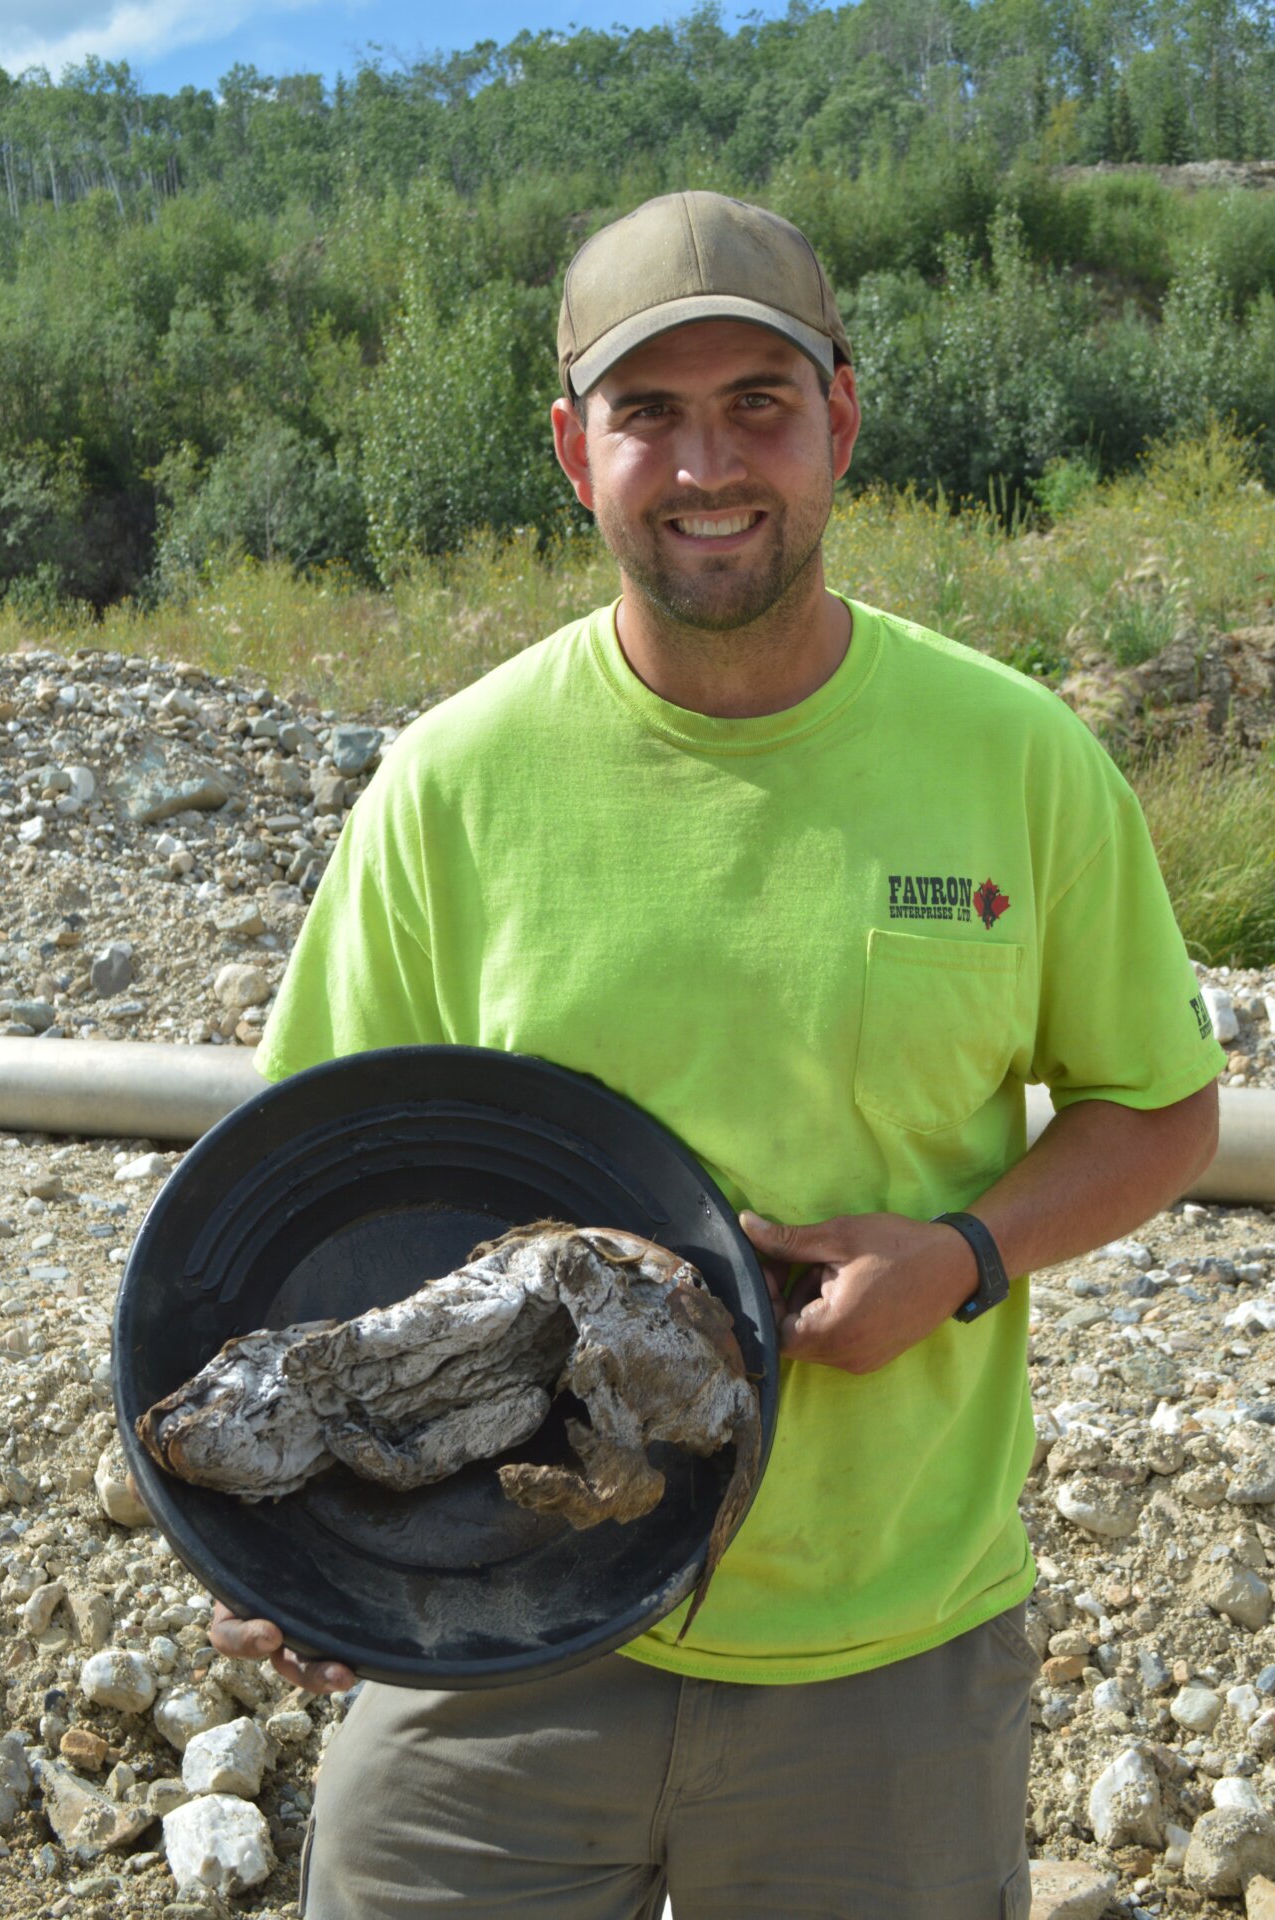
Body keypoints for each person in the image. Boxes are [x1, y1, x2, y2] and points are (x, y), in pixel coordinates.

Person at [211, 191, 1223, 1918]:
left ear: (838, 415)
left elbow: (1161, 1109)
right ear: (568, 447)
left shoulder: (1021, 760)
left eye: (755, 401)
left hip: (882, 1654)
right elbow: (286, 1200)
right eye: (647, 413)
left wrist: (964, 1257)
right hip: (489, 1632)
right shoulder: (451, 787)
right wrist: (284, 1544)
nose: (706, 465)